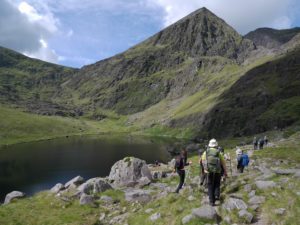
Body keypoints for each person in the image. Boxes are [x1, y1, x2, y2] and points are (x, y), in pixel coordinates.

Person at [200, 139, 227, 206]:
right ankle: (217, 196)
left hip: (208, 171)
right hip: (217, 171)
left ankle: (212, 201)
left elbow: (202, 161)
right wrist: (225, 172)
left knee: (210, 185)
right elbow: (223, 163)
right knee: (217, 184)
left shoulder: (205, 152)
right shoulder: (219, 152)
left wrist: (205, 169)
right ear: (216, 145)